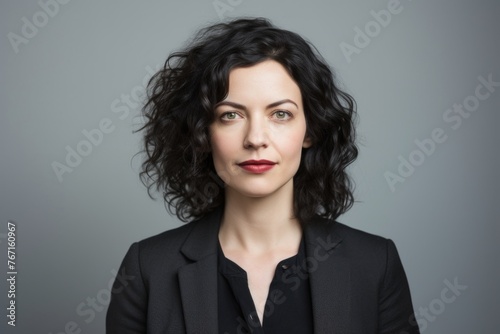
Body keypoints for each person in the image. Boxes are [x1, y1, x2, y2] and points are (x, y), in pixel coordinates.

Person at [106, 17, 420, 334]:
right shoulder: (149, 268)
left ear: (309, 130)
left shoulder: (374, 264)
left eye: (280, 114)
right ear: (203, 133)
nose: (256, 138)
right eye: (230, 115)